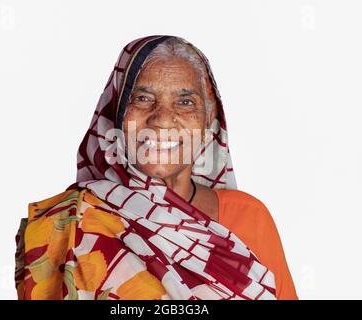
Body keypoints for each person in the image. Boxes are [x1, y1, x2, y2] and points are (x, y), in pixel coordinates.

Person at [15, 35, 298, 300]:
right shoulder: (71, 223)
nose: (162, 120)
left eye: (185, 102)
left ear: (208, 121)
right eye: (143, 99)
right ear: (116, 114)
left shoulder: (250, 217)